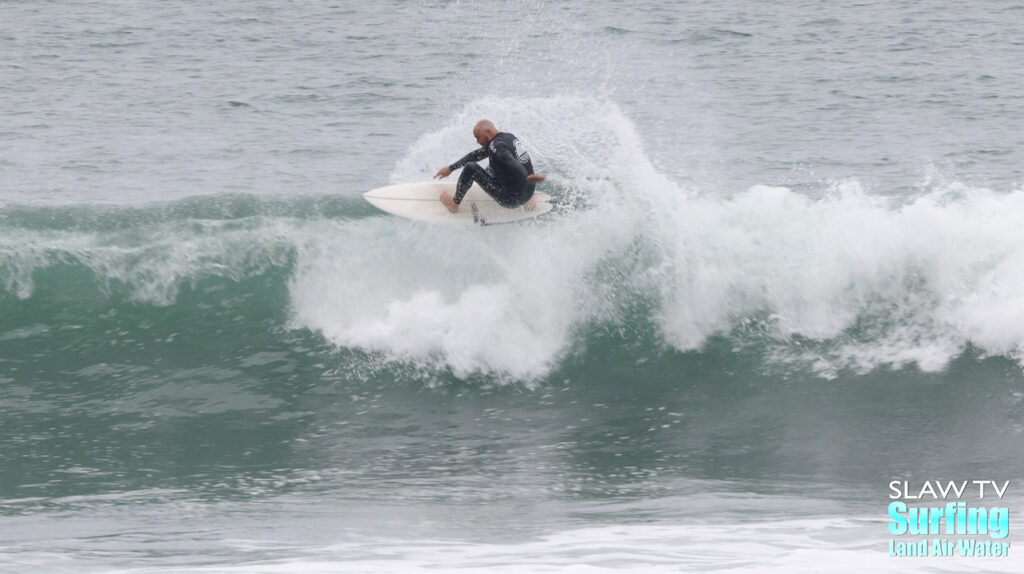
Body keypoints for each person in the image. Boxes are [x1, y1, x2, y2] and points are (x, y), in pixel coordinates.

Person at [434, 119, 546, 213]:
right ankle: (529, 200)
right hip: (529, 191)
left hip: (511, 200)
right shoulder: (508, 137)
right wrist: (450, 168)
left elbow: (509, 160)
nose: (477, 141)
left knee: (471, 168)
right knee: (492, 166)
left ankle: (454, 205)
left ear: (487, 132)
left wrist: (525, 177)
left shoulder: (496, 147)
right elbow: (477, 155)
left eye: (477, 137)